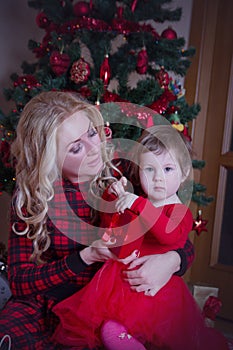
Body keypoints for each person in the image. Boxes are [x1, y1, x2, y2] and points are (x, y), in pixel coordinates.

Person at [0, 92, 194, 350]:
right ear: (48, 158)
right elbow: (20, 281)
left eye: (92, 133)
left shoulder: (125, 175)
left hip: (114, 303)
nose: (95, 149)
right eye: (76, 147)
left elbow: (177, 232)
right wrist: (85, 257)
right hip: (48, 303)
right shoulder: (32, 199)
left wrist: (173, 261)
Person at [52, 125, 228, 350]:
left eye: (167, 169)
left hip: (159, 292)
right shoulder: (137, 201)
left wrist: (138, 203)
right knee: (109, 328)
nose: (158, 179)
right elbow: (114, 229)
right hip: (120, 286)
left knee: (177, 339)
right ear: (138, 170)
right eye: (149, 170)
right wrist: (113, 198)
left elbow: (168, 234)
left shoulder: (178, 210)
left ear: (184, 173)